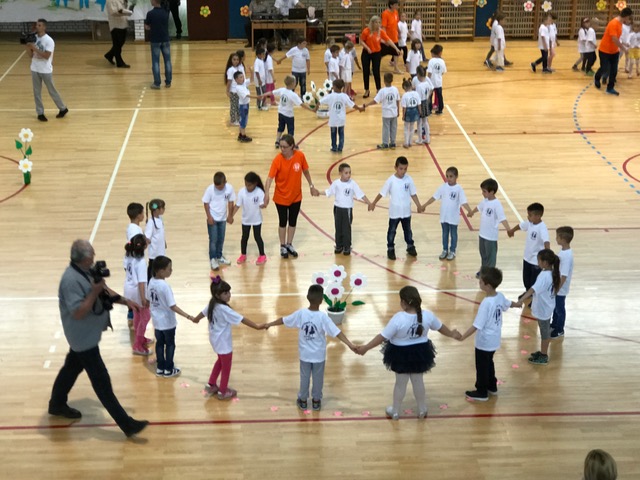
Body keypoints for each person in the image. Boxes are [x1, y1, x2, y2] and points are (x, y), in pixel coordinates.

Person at [48, 239, 148, 437]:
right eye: (91, 255)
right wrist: (94, 292)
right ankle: (127, 425)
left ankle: (56, 404)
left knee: (71, 369)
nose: (94, 257)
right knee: (102, 381)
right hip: (82, 338)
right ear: (83, 259)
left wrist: (125, 301)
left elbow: (104, 289)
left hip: (85, 336)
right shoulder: (70, 281)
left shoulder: (86, 270)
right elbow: (78, 312)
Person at [355, 286, 461, 419]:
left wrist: (366, 348)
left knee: (400, 384)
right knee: (418, 381)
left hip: (400, 354)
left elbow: (382, 336)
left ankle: (395, 411)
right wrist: (451, 334)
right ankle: (422, 409)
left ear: (403, 302)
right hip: (420, 352)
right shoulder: (428, 316)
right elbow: (440, 327)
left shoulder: (398, 318)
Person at [266, 285, 356, 411]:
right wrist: (350, 344)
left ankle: (303, 400)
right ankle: (316, 401)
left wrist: (269, 324)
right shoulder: (323, 317)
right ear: (321, 300)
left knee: (304, 378)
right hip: (319, 356)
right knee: (318, 379)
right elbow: (337, 332)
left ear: (307, 297)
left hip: (305, 355)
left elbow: (284, 320)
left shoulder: (301, 314)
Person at [193, 277, 266, 400]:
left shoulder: (212, 304)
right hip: (224, 343)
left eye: (229, 292)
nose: (229, 295)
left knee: (220, 361)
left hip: (215, 340)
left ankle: (211, 384)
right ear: (218, 295)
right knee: (226, 366)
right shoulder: (224, 309)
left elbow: (202, 314)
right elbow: (241, 319)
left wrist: (195, 319)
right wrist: (257, 326)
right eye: (226, 293)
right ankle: (223, 391)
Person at [458, 267, 518, 401]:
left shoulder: (486, 304)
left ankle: (482, 392)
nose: (479, 283)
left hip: (484, 342)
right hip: (494, 339)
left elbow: (476, 325)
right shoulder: (499, 296)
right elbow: (508, 304)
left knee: (482, 367)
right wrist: (517, 304)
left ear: (488, 285)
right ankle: (492, 386)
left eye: (481, 282)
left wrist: (462, 337)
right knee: (489, 363)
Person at [264, 134, 320, 258]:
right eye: (280, 146)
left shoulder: (300, 156)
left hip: (296, 197)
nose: (282, 149)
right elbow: (269, 178)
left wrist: (311, 186)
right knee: (283, 221)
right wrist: (266, 193)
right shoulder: (277, 160)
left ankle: (289, 244)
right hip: (281, 197)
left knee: (293, 221)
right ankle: (282, 245)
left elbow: (305, 171)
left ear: (292, 146)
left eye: (285, 147)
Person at [147, 255, 196, 378]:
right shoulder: (165, 286)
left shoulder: (151, 282)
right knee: (170, 344)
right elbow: (172, 306)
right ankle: (169, 369)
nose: (171, 270)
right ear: (161, 271)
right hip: (167, 322)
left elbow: (148, 300)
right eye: (169, 268)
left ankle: (160, 368)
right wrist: (188, 316)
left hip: (157, 322)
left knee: (159, 344)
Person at [369, 156, 424, 260]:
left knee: (408, 230)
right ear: (395, 167)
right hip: (395, 212)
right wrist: (374, 203)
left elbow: (413, 194)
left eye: (405, 169)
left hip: (406, 212)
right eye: (401, 168)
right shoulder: (391, 180)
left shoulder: (409, 179)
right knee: (392, 231)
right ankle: (390, 248)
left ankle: (410, 246)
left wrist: (419, 205)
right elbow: (382, 193)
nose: (403, 171)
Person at [515, 249, 560, 366]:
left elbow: (532, 290)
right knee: (544, 331)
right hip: (547, 306)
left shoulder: (544, 276)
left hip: (543, 309)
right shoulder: (551, 273)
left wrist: (521, 300)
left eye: (539, 260)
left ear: (545, 263)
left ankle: (544, 356)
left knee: (545, 333)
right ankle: (542, 352)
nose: (537, 262)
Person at [422, 166, 472, 260]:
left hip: (453, 217)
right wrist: (424, 205)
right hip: (444, 217)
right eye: (447, 176)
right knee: (445, 234)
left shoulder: (459, 189)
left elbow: (463, 202)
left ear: (456, 176)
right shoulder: (443, 187)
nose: (448, 178)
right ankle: (445, 250)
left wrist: (469, 210)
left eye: (451, 176)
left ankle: (452, 251)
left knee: (453, 234)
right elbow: (434, 197)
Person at [323, 162, 371, 255]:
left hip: (347, 210)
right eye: (346, 173)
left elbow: (361, 194)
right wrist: (318, 192)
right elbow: (329, 192)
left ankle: (347, 246)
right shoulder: (336, 183)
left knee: (346, 228)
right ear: (340, 173)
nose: (348, 175)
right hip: (337, 209)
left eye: (349, 173)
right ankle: (339, 245)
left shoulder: (352, 184)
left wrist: (369, 203)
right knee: (338, 227)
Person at [26, 19, 68, 122]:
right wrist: (27, 46)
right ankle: (40, 113)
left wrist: (34, 48)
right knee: (36, 92)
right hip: (34, 68)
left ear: (44, 27)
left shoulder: (49, 40)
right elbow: (31, 55)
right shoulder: (34, 38)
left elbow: (46, 56)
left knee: (52, 90)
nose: (37, 27)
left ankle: (63, 108)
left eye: (39, 25)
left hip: (45, 70)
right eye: (37, 25)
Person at [468, 179, 512, 277]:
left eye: (484, 191)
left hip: (491, 237)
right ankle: (484, 271)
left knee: (490, 258)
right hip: (482, 235)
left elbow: (502, 218)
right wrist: (471, 212)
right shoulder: (485, 201)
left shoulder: (497, 205)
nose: (482, 193)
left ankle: (490, 275)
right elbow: (479, 207)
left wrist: (509, 230)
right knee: (483, 255)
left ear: (491, 192)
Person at [508, 203, 550, 298]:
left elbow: (546, 241)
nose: (528, 217)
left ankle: (534, 297)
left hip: (536, 261)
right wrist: (512, 231)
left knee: (534, 280)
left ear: (538, 216)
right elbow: (520, 225)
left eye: (530, 215)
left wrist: (548, 256)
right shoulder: (530, 223)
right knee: (526, 279)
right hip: (527, 258)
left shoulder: (542, 227)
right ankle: (528, 292)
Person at [230, 171, 268, 265]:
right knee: (244, 237)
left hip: (256, 220)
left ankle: (262, 255)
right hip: (246, 220)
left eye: (249, 185)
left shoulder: (259, 192)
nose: (247, 187)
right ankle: (243, 254)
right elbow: (237, 205)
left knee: (257, 237)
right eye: (246, 184)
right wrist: (231, 216)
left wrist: (264, 204)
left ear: (255, 184)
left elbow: (262, 205)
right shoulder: (242, 192)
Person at [124, 234, 152, 356]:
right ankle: (138, 344)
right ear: (144, 246)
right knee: (145, 316)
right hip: (137, 291)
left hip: (128, 289)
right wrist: (143, 298)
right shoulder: (141, 263)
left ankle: (139, 338)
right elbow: (141, 282)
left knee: (137, 314)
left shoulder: (129, 256)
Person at [595, 7, 634, 95]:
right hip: (605, 50)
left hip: (614, 51)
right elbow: (614, 39)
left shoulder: (621, 23)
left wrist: (624, 44)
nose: (629, 19)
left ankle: (610, 88)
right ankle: (597, 78)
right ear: (626, 16)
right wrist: (624, 49)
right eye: (629, 17)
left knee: (614, 70)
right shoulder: (614, 23)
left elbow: (618, 38)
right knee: (604, 68)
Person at [360, 16, 401, 98]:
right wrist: (367, 48)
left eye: (379, 22)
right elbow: (361, 41)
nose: (378, 24)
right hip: (366, 53)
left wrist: (396, 48)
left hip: (376, 53)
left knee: (376, 71)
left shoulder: (381, 31)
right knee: (366, 71)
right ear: (372, 23)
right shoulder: (366, 31)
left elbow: (388, 40)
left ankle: (378, 89)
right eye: (376, 22)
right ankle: (367, 90)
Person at [319, 79, 364, 153]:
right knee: (341, 133)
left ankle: (334, 147)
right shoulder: (344, 96)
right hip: (341, 119)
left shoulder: (330, 96)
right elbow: (352, 104)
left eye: (333, 86)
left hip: (333, 119)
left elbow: (320, 101)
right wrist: (359, 108)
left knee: (333, 133)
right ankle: (340, 147)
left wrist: (315, 109)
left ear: (335, 87)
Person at [202, 171, 236, 270]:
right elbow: (206, 203)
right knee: (213, 240)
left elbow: (231, 202)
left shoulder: (229, 188)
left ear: (225, 182)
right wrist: (209, 217)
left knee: (221, 239)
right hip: (213, 219)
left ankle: (219, 256)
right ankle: (213, 259)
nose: (218, 189)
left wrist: (230, 215)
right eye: (217, 187)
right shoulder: (210, 189)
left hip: (223, 219)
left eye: (220, 187)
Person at [272, 75, 314, 148]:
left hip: (281, 113)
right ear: (292, 84)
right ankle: (290, 144)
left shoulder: (282, 90)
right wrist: (311, 109)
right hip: (289, 115)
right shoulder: (293, 95)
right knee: (290, 130)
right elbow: (301, 104)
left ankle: (277, 141)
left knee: (280, 127)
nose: (295, 83)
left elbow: (272, 92)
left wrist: (262, 95)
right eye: (295, 82)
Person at [365, 72, 400, 150]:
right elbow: (398, 100)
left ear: (384, 81)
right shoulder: (395, 89)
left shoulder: (382, 91)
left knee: (386, 128)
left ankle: (385, 143)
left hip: (386, 113)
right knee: (393, 128)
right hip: (394, 113)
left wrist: (366, 105)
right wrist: (398, 110)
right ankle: (393, 142)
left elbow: (375, 101)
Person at [550, 226, 574, 338]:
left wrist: (557, 288)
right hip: (558, 286)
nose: (556, 239)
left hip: (560, 288)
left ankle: (560, 329)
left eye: (557, 237)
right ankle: (554, 324)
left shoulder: (566, 256)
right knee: (555, 307)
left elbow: (564, 275)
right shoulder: (564, 252)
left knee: (559, 309)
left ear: (563, 239)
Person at [145, 0, 172, 89]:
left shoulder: (150, 13)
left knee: (155, 62)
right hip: (165, 39)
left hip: (155, 40)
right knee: (167, 61)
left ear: (154, 1)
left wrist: (152, 27)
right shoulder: (166, 12)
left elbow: (147, 27)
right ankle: (168, 82)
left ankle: (157, 83)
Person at [105, 0, 132, 68]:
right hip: (116, 25)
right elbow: (113, 12)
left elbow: (124, 8)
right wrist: (122, 11)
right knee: (117, 45)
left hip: (123, 23)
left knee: (120, 43)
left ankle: (109, 55)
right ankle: (119, 62)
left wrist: (128, 10)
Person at [145, 198, 166, 281]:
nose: (164, 209)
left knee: (160, 269)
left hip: (161, 251)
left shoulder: (160, 218)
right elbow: (147, 236)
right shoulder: (151, 222)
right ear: (157, 210)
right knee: (152, 271)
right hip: (154, 253)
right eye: (162, 208)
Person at [380, 0, 402, 73]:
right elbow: (383, 27)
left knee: (396, 53)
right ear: (391, 5)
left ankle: (396, 68)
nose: (397, 6)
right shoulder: (385, 13)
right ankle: (374, 67)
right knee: (381, 54)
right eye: (396, 5)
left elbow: (396, 23)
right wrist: (385, 38)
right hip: (387, 38)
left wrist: (398, 32)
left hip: (394, 37)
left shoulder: (396, 12)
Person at [413, 65, 433, 143]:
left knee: (419, 122)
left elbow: (418, 98)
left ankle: (420, 139)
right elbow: (430, 89)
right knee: (425, 121)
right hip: (425, 102)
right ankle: (428, 138)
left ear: (418, 74)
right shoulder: (427, 83)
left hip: (420, 104)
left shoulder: (419, 86)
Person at [400, 77, 420, 148]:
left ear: (405, 87)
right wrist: (419, 112)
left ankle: (406, 142)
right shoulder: (416, 93)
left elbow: (404, 107)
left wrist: (403, 115)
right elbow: (419, 104)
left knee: (406, 127)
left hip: (408, 111)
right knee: (412, 127)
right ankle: (410, 142)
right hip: (415, 110)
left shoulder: (405, 95)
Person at [427, 44, 446, 114]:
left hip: (431, 81)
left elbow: (429, 72)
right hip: (439, 82)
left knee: (430, 96)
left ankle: (429, 109)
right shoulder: (442, 61)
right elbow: (443, 71)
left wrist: (428, 80)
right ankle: (440, 109)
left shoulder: (431, 61)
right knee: (439, 96)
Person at [225, 52, 243, 126]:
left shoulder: (239, 68)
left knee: (238, 105)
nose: (236, 61)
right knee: (233, 106)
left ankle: (238, 119)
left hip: (239, 91)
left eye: (237, 59)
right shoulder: (230, 70)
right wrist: (227, 91)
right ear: (231, 60)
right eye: (234, 59)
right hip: (233, 91)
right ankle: (233, 120)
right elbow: (229, 81)